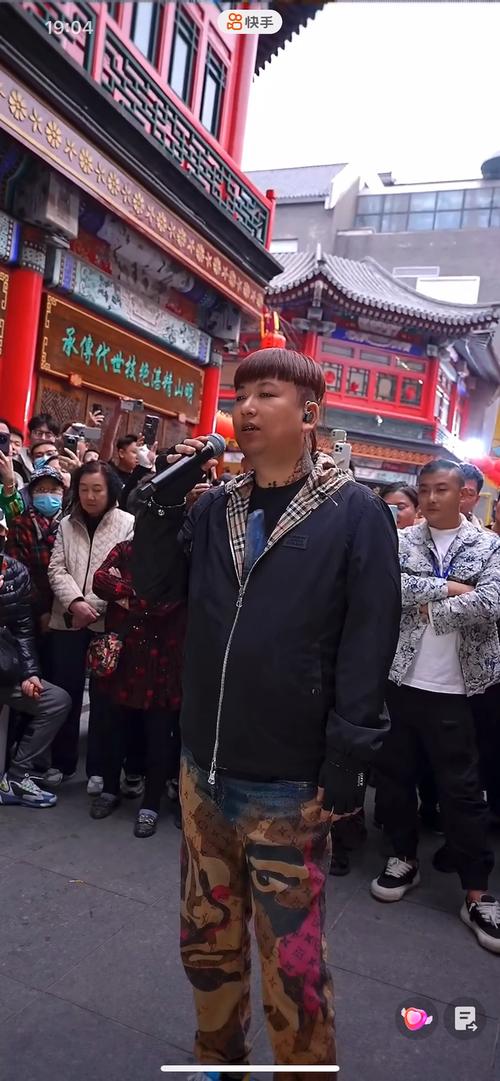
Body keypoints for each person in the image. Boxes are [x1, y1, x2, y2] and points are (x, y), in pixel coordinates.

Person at [132, 348, 401, 1068]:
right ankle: (217, 1058)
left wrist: (347, 755)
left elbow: (369, 640)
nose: (245, 408)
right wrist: (158, 506)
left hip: (287, 782)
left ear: (309, 413)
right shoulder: (215, 505)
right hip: (203, 770)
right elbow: (157, 589)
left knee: (294, 970)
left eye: (266, 394)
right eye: (240, 394)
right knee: (205, 944)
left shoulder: (356, 513)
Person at [371, 459, 500, 954]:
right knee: (396, 778)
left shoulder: (488, 545)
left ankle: (477, 891)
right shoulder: (401, 540)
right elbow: (388, 586)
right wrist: (448, 588)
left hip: (460, 687)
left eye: (441, 489)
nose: (430, 498)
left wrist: (429, 608)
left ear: (465, 493)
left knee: (462, 791)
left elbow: (490, 601)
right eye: (423, 489)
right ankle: (402, 856)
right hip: (401, 679)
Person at [47, 461, 134, 790]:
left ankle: (98, 768)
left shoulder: (128, 524)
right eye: (83, 489)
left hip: (106, 623)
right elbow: (56, 568)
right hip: (67, 619)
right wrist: (75, 603)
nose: (90, 496)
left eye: (97, 489)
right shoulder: (66, 524)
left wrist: (92, 607)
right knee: (65, 692)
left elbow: (124, 574)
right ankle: (62, 762)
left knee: (103, 700)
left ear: (110, 490)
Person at [91, 539, 186, 836]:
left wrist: (124, 595)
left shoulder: (180, 556)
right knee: (114, 730)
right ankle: (109, 790)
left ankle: (151, 805)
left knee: (159, 737)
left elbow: (165, 603)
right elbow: (99, 581)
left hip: (163, 662)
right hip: (125, 658)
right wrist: (136, 592)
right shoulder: (125, 549)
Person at [0, 509, 71, 807]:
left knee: (56, 700)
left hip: (5, 670)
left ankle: (17, 777)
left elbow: (23, 629)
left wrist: (29, 672)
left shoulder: (15, 572)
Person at [460, 462, 484, 527]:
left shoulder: (479, 531)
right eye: (458, 491)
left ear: (476, 500)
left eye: (469, 494)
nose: (461, 500)